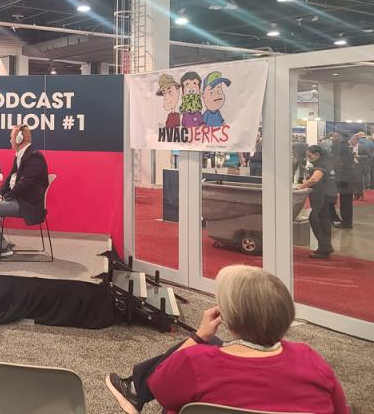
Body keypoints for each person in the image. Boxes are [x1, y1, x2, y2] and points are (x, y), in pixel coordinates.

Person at [105, 265, 349, 414]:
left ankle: (136, 387)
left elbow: (160, 388)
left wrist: (198, 336)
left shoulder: (195, 362)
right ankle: (135, 386)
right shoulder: (311, 360)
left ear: (228, 319)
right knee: (212, 346)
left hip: (191, 363)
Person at [0, 124, 49, 259]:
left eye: (11, 138)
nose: (10, 141)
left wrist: (5, 198)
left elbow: (24, 185)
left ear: (20, 139)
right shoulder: (20, 155)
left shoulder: (34, 157)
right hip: (17, 199)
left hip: (27, 204)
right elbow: (10, 178)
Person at [297, 145, 336, 259]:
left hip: (321, 196)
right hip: (329, 195)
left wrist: (300, 187)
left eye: (310, 156)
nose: (308, 159)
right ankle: (325, 248)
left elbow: (314, 179)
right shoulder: (328, 162)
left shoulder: (321, 165)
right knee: (324, 220)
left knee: (315, 219)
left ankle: (324, 248)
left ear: (317, 155)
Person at [332, 134, 360, 229]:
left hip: (344, 179)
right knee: (346, 202)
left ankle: (347, 222)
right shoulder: (347, 150)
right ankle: (347, 222)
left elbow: (338, 165)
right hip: (347, 179)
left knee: (345, 203)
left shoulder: (342, 151)